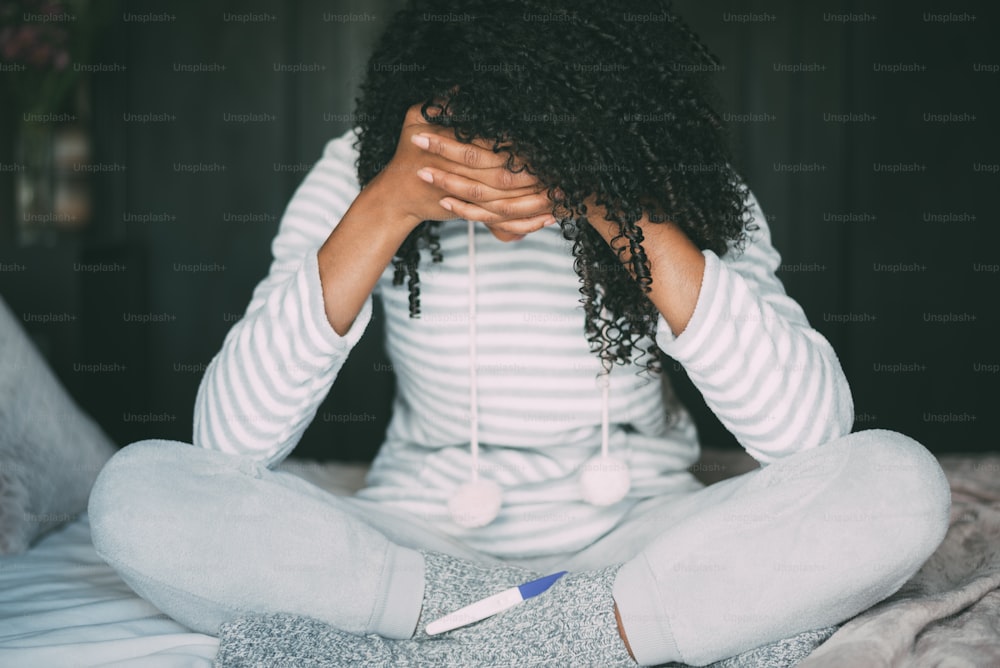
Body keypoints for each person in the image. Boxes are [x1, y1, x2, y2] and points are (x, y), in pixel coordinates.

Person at [88, 1, 951, 665]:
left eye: (537, 136)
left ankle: (514, 637)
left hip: (640, 546)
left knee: (899, 483)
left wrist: (618, 208)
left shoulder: (681, 182)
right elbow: (227, 445)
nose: (498, 169)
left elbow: (810, 438)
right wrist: (386, 205)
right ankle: (577, 636)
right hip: (415, 550)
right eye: (472, 134)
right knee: (136, 491)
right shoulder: (362, 171)